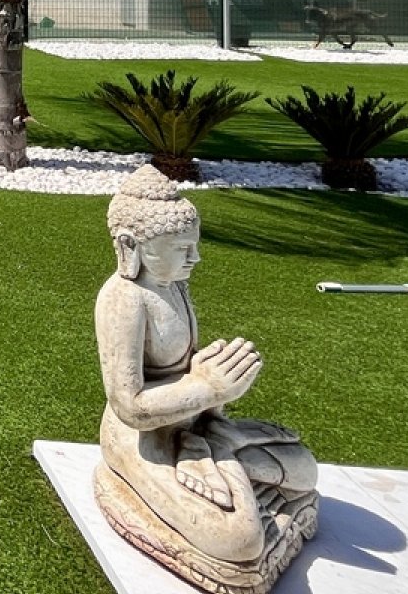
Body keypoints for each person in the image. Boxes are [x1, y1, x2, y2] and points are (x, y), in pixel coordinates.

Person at [93, 166, 318, 592]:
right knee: (240, 539)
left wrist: (209, 377)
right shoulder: (123, 298)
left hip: (197, 422)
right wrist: (206, 387)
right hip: (142, 438)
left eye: (192, 247)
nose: (194, 259)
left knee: (305, 470)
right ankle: (244, 509)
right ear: (129, 245)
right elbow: (129, 405)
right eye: (181, 249)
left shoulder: (172, 284)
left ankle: (229, 463)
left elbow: (182, 365)